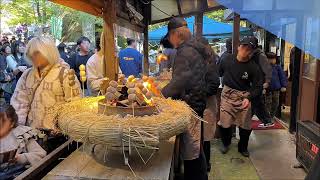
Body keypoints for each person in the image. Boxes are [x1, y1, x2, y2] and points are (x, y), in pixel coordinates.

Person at [10, 37, 82, 151]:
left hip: (58, 137)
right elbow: (19, 102)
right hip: (32, 136)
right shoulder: (27, 75)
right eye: (31, 53)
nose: (33, 57)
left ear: (49, 52)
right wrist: (18, 128)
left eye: (37, 53)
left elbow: (75, 105)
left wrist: (64, 126)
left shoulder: (65, 74)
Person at [161, 17, 208, 180]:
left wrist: (160, 95)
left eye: (169, 36)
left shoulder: (184, 51)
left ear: (175, 34)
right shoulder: (195, 48)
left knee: (192, 151)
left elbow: (180, 80)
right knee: (196, 147)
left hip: (191, 107)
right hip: (198, 102)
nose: (169, 40)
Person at [218, 37, 263, 157]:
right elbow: (218, 72)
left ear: (252, 51)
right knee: (224, 123)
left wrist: (249, 97)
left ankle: (243, 147)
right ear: (238, 46)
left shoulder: (253, 67)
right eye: (244, 46)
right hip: (227, 96)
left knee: (245, 126)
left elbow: (258, 87)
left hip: (244, 97)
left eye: (249, 49)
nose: (245, 50)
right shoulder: (226, 59)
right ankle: (226, 143)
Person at [0, 104, 46, 179]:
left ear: (11, 123)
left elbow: (41, 155)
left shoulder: (22, 134)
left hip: (17, 174)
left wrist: (19, 158)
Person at [197, 37, 220, 172]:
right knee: (201, 136)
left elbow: (213, 85)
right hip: (201, 103)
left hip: (207, 104)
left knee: (205, 137)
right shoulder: (201, 62)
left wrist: (197, 93)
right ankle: (202, 163)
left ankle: (206, 164)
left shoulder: (210, 63)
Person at [247, 37, 275, 128]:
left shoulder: (260, 55)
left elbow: (268, 70)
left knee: (256, 102)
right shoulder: (253, 54)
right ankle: (267, 121)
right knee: (257, 103)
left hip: (258, 82)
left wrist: (267, 81)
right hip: (254, 82)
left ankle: (267, 120)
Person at [265, 52, 288, 119]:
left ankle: (271, 116)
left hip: (276, 89)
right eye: (269, 59)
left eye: (273, 59)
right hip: (267, 89)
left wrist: (283, 86)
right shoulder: (264, 67)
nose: (271, 60)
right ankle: (267, 117)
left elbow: (282, 77)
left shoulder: (278, 67)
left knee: (276, 103)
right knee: (268, 103)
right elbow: (261, 77)